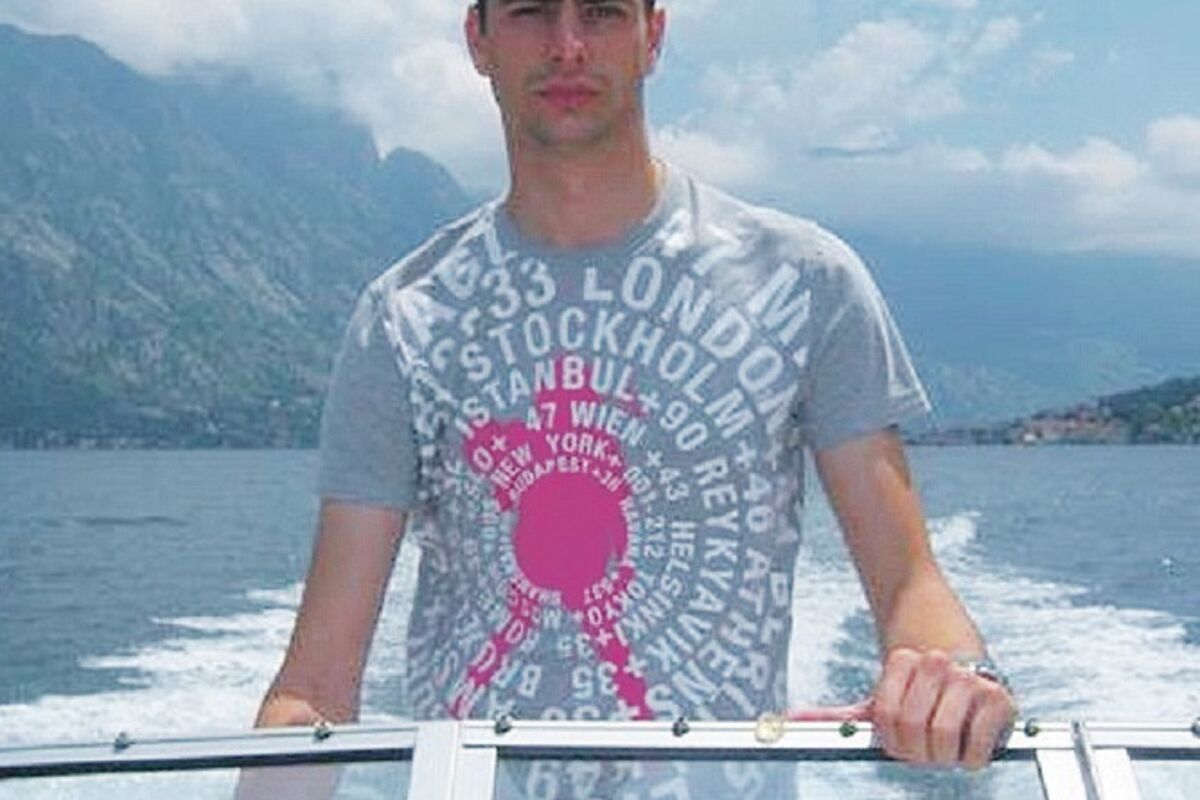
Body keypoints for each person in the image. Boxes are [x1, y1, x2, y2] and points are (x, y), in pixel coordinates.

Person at [247, 0, 1018, 796]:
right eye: (531, 11)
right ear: (479, 40)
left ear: (653, 36)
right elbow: (318, 685)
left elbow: (910, 585)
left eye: (602, 13)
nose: (568, 45)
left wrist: (958, 676)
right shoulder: (404, 319)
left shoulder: (805, 284)